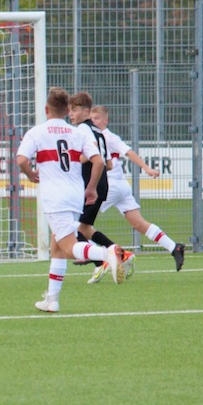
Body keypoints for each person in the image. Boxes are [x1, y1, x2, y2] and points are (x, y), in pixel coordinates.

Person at [16, 87, 126, 313]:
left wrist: (30, 174)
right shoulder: (78, 133)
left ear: (46, 109)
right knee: (57, 248)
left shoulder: (37, 132)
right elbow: (98, 161)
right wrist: (92, 189)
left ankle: (108, 253)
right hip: (75, 195)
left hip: (55, 198)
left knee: (68, 247)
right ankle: (52, 300)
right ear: (67, 110)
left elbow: (20, 160)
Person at [84, 105, 186, 283]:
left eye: (97, 118)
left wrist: (146, 168)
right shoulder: (95, 136)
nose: (94, 121)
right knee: (139, 224)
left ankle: (99, 255)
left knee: (81, 222)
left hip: (111, 187)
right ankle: (174, 247)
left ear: (105, 120)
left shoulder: (108, 136)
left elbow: (128, 152)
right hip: (121, 187)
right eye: (91, 119)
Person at [67, 92, 132, 275]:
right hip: (102, 183)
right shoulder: (97, 130)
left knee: (73, 227)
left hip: (92, 185)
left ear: (86, 111)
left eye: (75, 110)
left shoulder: (82, 129)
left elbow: (94, 157)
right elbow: (108, 163)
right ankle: (120, 254)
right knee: (85, 228)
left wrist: (72, 162)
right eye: (69, 110)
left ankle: (104, 258)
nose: (71, 114)